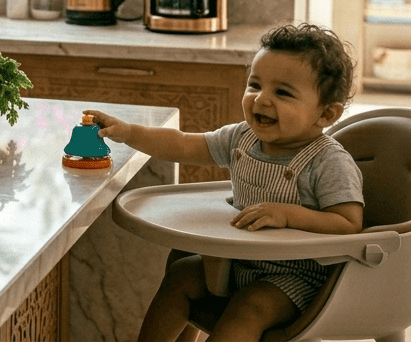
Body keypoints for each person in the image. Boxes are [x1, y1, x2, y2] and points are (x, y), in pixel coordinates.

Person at [86, 23, 363, 342]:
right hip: (238, 261)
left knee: (248, 308)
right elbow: (182, 144)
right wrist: (129, 133)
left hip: (298, 279)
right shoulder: (241, 138)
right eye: (255, 85)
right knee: (181, 274)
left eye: (282, 92)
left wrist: (288, 214)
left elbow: (348, 224)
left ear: (326, 115)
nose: (261, 99)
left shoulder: (329, 162)